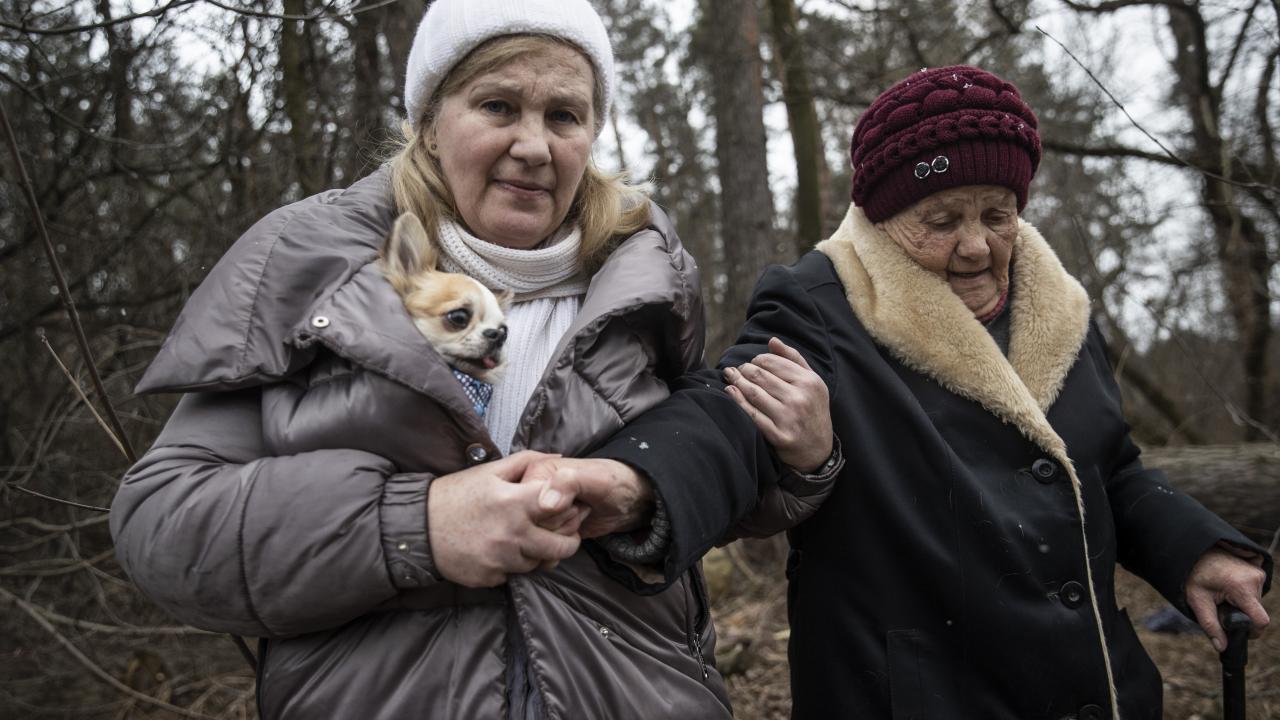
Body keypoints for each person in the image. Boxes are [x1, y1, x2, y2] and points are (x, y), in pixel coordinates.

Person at [109, 2, 750, 717]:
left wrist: (667, 483)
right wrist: (418, 526)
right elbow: (163, 521)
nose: (534, 145)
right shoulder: (311, 267)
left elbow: (731, 467)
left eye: (564, 116)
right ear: (428, 121)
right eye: (498, 105)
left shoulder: (644, 276)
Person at [579, 65, 1273, 718]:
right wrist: (642, 481)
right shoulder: (822, 304)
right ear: (884, 219)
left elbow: (1110, 470)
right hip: (918, 694)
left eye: (997, 214)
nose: (976, 246)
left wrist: (1193, 549)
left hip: (1094, 687)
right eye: (942, 221)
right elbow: (730, 412)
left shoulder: (1060, 309)